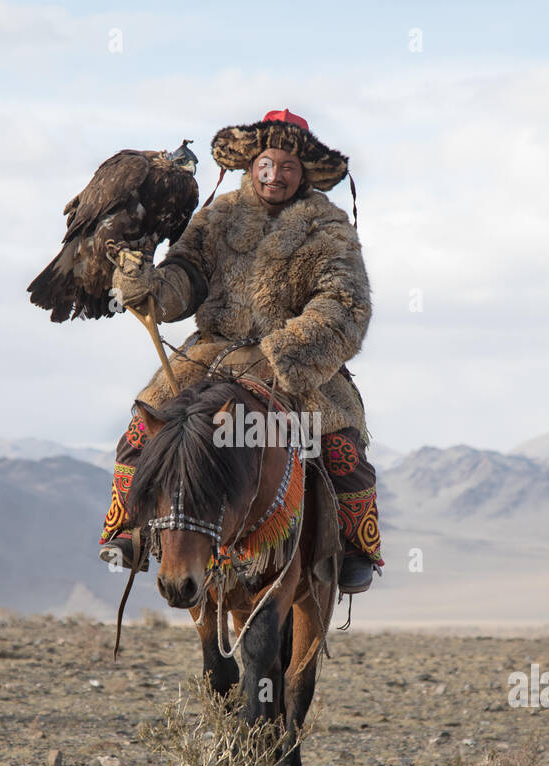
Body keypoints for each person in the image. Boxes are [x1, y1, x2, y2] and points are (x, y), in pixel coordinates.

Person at [101, 108, 382, 594]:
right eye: (267, 164)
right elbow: (185, 277)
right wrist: (146, 284)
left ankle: (358, 546)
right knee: (143, 429)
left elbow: (344, 301)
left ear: (304, 173)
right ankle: (131, 531)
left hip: (295, 359)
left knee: (339, 445)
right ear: (252, 165)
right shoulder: (216, 217)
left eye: (288, 167)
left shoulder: (330, 230)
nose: (276, 175)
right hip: (209, 355)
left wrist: (290, 346)